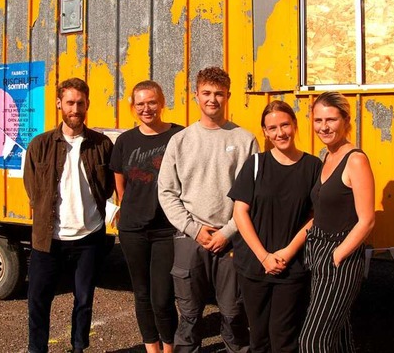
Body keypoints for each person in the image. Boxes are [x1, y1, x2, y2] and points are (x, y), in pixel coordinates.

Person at [158, 67, 258, 353]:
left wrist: (227, 232)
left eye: (218, 94)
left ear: (228, 96)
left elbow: (251, 195)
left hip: (232, 240)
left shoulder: (244, 140)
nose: (212, 99)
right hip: (190, 239)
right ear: (196, 96)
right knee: (188, 316)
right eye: (206, 93)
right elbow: (167, 192)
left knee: (233, 313)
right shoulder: (180, 141)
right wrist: (195, 229)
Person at [23, 77, 115, 353]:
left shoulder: (101, 144)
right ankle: (36, 349)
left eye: (80, 103)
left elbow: (108, 187)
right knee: (38, 300)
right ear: (59, 104)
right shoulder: (40, 145)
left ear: (87, 105)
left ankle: (78, 347)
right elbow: (32, 188)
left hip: (89, 237)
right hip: (48, 238)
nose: (75, 109)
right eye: (70, 103)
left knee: (84, 299)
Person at [229, 100, 322, 353]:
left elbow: (316, 216)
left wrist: (287, 252)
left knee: (284, 338)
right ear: (265, 132)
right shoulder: (256, 164)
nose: (280, 133)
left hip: (291, 267)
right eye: (273, 128)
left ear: (294, 125)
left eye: (285, 125)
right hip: (254, 265)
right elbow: (240, 212)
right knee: (258, 338)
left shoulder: (313, 167)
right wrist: (264, 256)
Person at [299, 91, 375, 353]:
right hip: (319, 250)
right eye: (318, 120)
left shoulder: (355, 159)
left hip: (340, 257)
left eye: (330, 119)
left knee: (312, 340)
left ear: (346, 119)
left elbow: (366, 220)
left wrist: (338, 255)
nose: (324, 126)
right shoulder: (327, 156)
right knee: (339, 337)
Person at [110, 80, 183, 353]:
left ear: (162, 102)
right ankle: (151, 348)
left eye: (151, 102)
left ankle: (169, 347)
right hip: (132, 229)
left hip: (166, 229)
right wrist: (133, 207)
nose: (146, 108)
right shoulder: (125, 141)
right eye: (140, 103)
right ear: (133, 107)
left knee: (162, 296)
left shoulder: (178, 136)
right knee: (141, 294)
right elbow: (121, 185)